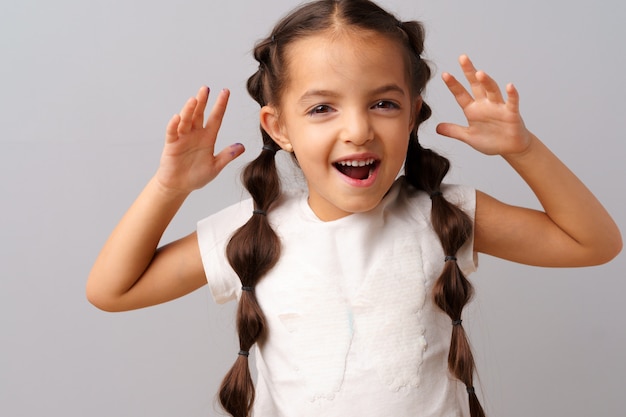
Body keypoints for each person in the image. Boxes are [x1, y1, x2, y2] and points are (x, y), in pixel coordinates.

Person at [86, 0, 621, 416]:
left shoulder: (444, 215)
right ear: (279, 128)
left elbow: (593, 244)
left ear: (413, 114)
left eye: (384, 104)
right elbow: (112, 290)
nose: (359, 129)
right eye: (322, 108)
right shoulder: (251, 233)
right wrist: (168, 186)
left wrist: (523, 150)